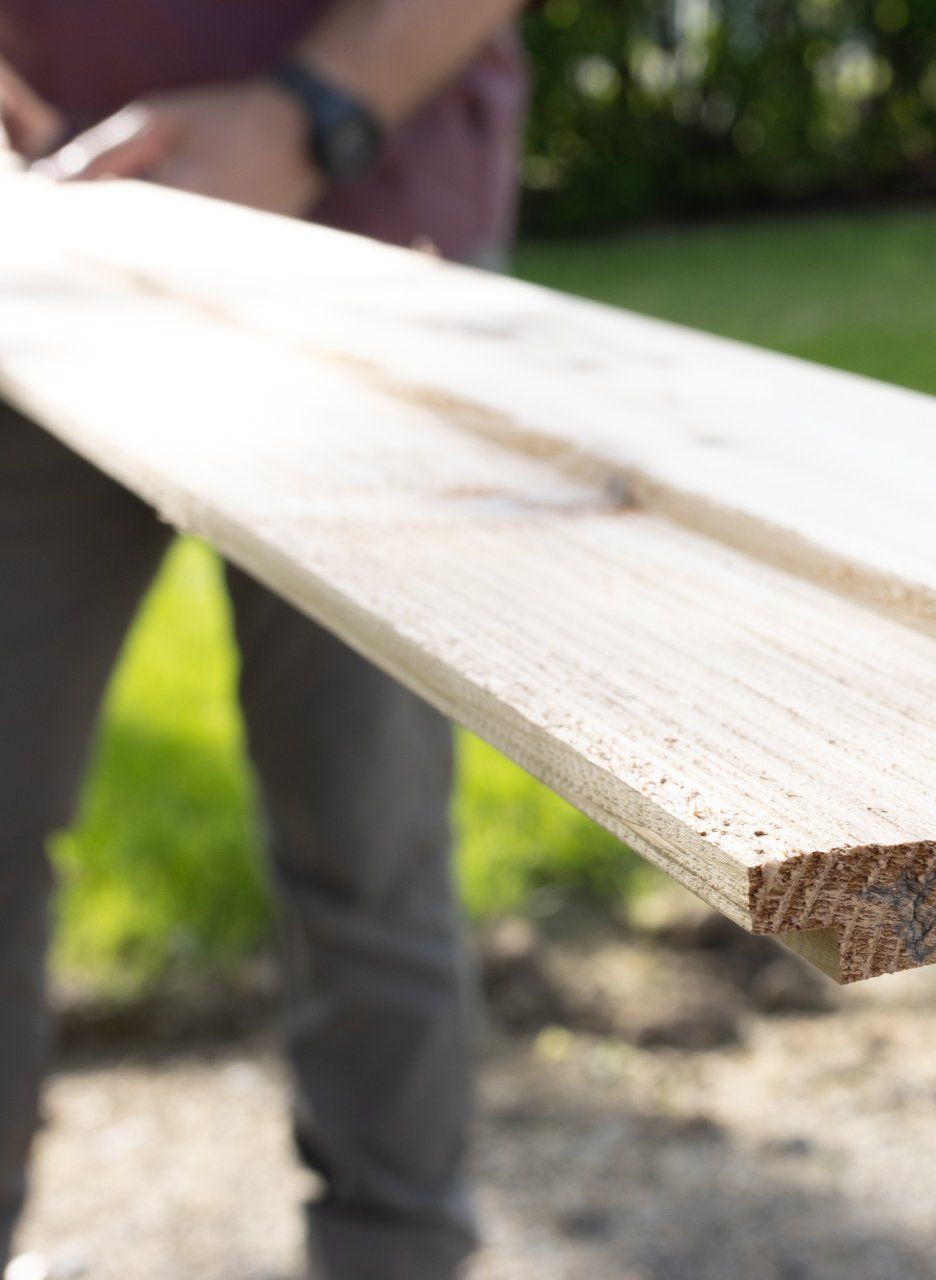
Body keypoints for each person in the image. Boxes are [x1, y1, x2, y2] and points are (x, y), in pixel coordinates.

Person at [0, 2, 527, 1275]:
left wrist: (314, 111)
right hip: (33, 257)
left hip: (368, 250)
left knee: (367, 841)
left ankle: (392, 1251)